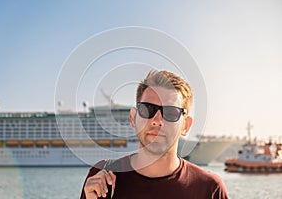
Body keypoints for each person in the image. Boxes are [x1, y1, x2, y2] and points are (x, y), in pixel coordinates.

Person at [80, 70, 229, 199]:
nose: (157, 121)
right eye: (147, 109)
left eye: (170, 112)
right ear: (133, 118)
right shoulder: (101, 178)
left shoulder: (209, 189)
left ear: (186, 125)